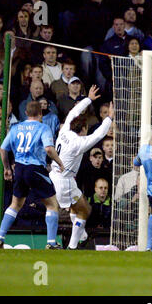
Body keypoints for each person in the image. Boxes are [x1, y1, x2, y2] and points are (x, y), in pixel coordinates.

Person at [0, 100, 65, 249]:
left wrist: (7, 167)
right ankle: (51, 243)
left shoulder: (15, 128)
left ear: (26, 113)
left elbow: (2, 149)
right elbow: (48, 149)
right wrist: (59, 162)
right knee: (52, 204)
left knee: (15, 204)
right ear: (40, 114)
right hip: (35, 168)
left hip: (19, 168)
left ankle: (0, 238)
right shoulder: (43, 128)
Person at [49, 85, 113, 250]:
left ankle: (82, 235)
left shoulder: (64, 130)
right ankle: (73, 245)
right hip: (65, 180)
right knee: (85, 210)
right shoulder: (79, 143)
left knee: (74, 206)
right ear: (83, 129)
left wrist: (88, 99)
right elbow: (98, 135)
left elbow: (73, 112)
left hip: (54, 175)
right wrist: (109, 118)